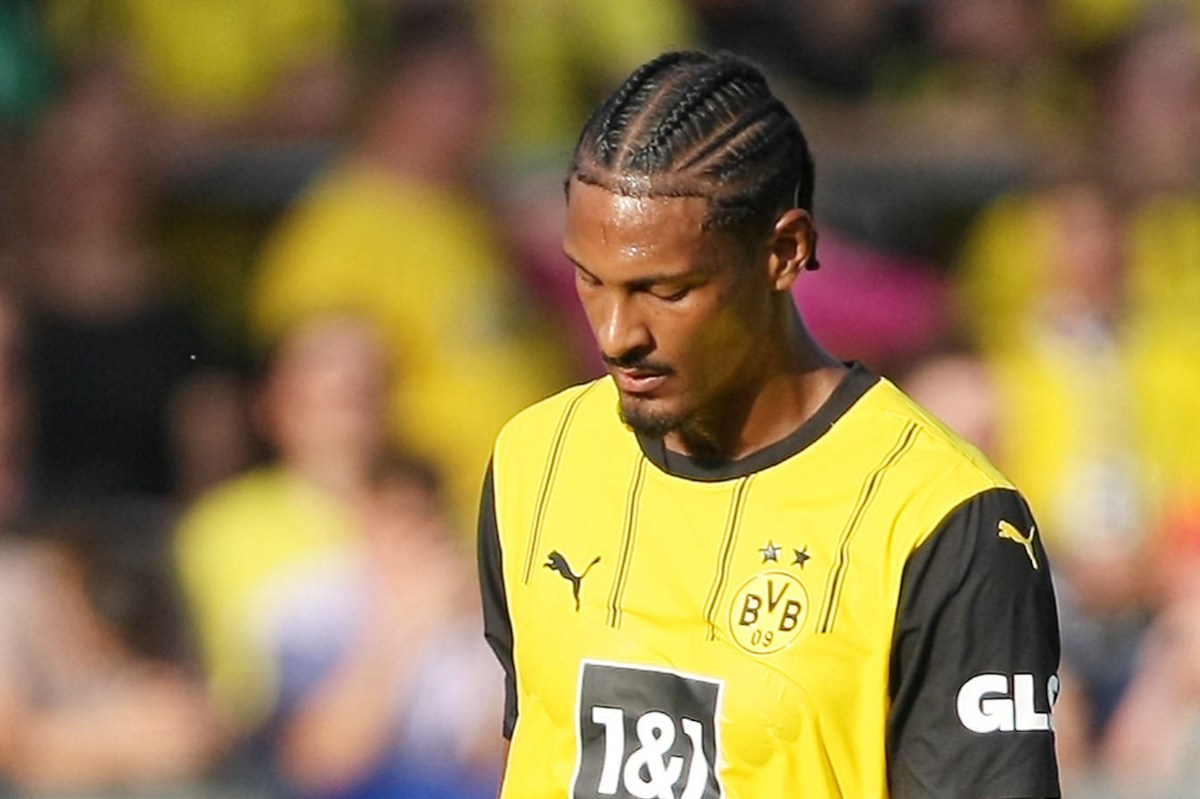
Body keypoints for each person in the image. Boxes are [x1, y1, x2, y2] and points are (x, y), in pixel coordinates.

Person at [477, 51, 1061, 799]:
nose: (617, 334)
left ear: (785, 252)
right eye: (590, 279)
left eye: (666, 290)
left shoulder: (942, 516)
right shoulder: (535, 460)